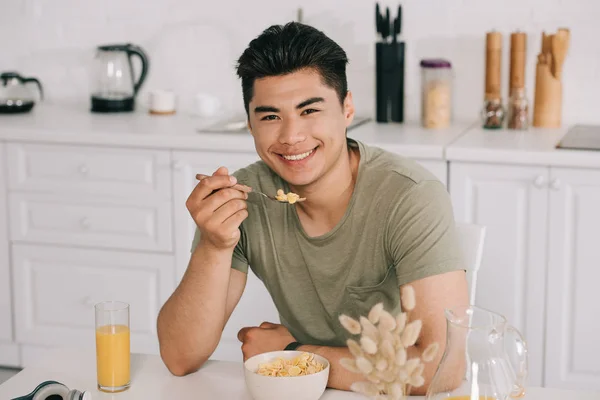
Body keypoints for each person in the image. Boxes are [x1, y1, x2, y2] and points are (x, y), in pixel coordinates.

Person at [156, 22, 468, 394]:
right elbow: (180, 357)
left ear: (347, 108)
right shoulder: (244, 197)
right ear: (251, 126)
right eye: (270, 116)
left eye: (309, 110)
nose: (291, 137)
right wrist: (214, 245)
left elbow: (442, 369)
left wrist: (294, 356)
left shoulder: (410, 197)